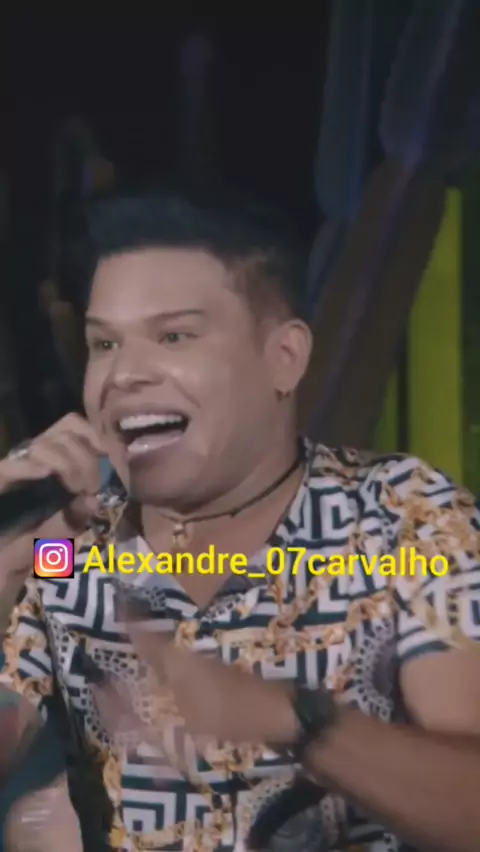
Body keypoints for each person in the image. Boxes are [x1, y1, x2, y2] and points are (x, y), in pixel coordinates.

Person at [0, 185, 479, 852]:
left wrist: (296, 720)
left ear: (284, 358)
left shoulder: (405, 519)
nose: (124, 375)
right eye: (104, 343)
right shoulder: (69, 551)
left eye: (173, 336)